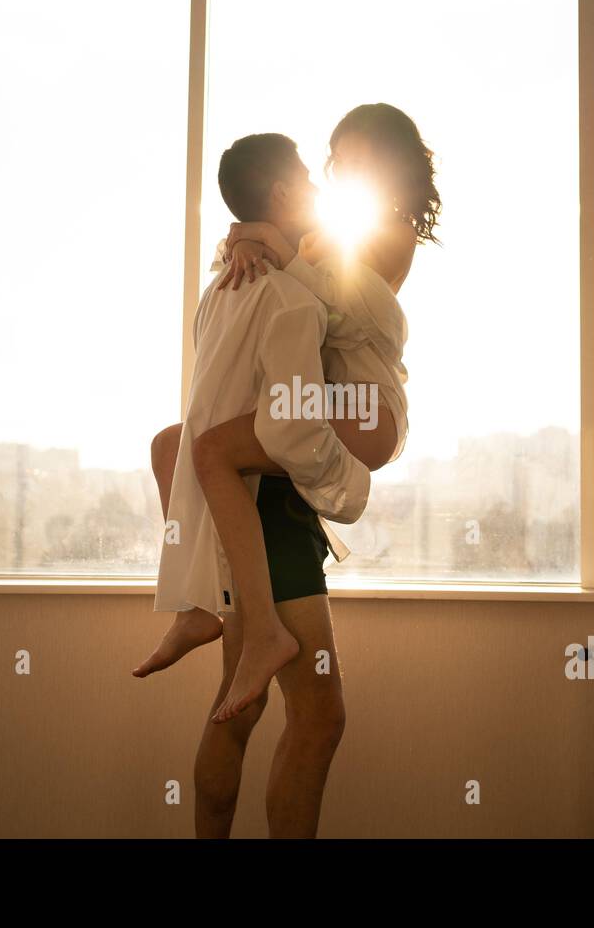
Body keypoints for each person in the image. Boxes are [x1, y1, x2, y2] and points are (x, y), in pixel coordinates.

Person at [137, 104, 441, 728]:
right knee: (173, 443)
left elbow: (349, 314)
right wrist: (244, 240)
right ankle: (198, 597)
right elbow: (288, 269)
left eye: (356, 158)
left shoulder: (391, 232)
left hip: (362, 407)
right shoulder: (326, 227)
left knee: (211, 449)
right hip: (315, 401)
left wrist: (277, 248)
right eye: (336, 157)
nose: (340, 170)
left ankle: (216, 614)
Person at [134, 131, 369, 836]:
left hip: (228, 516)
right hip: (267, 514)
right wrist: (348, 486)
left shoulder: (225, 285)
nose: (317, 187)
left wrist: (252, 237)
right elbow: (288, 429)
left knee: (237, 710)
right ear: (280, 194)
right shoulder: (291, 299)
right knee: (320, 715)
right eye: (305, 176)